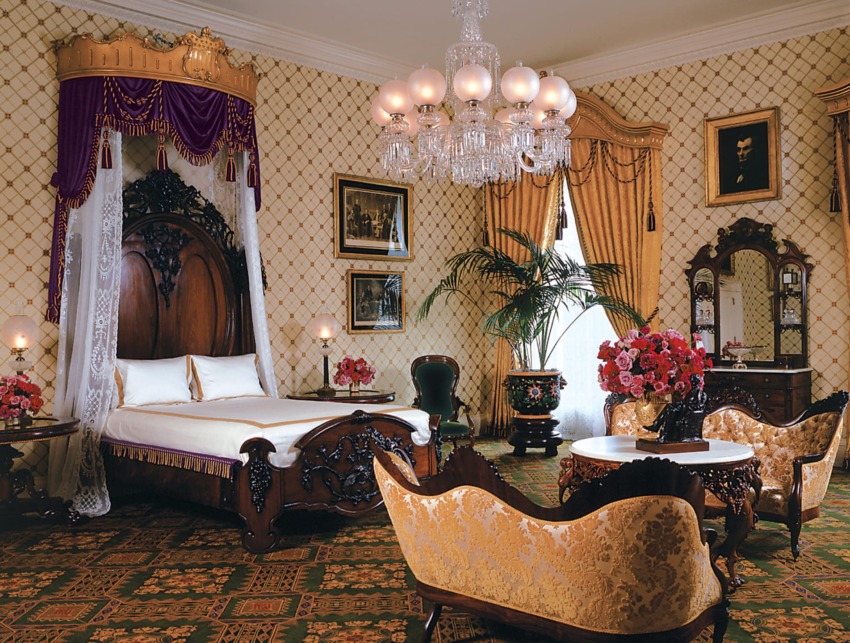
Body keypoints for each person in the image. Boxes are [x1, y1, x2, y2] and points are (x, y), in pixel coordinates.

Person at [720, 125, 770, 194]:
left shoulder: (762, 176)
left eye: (745, 149)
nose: (741, 154)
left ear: (755, 150)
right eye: (738, 150)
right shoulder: (730, 177)